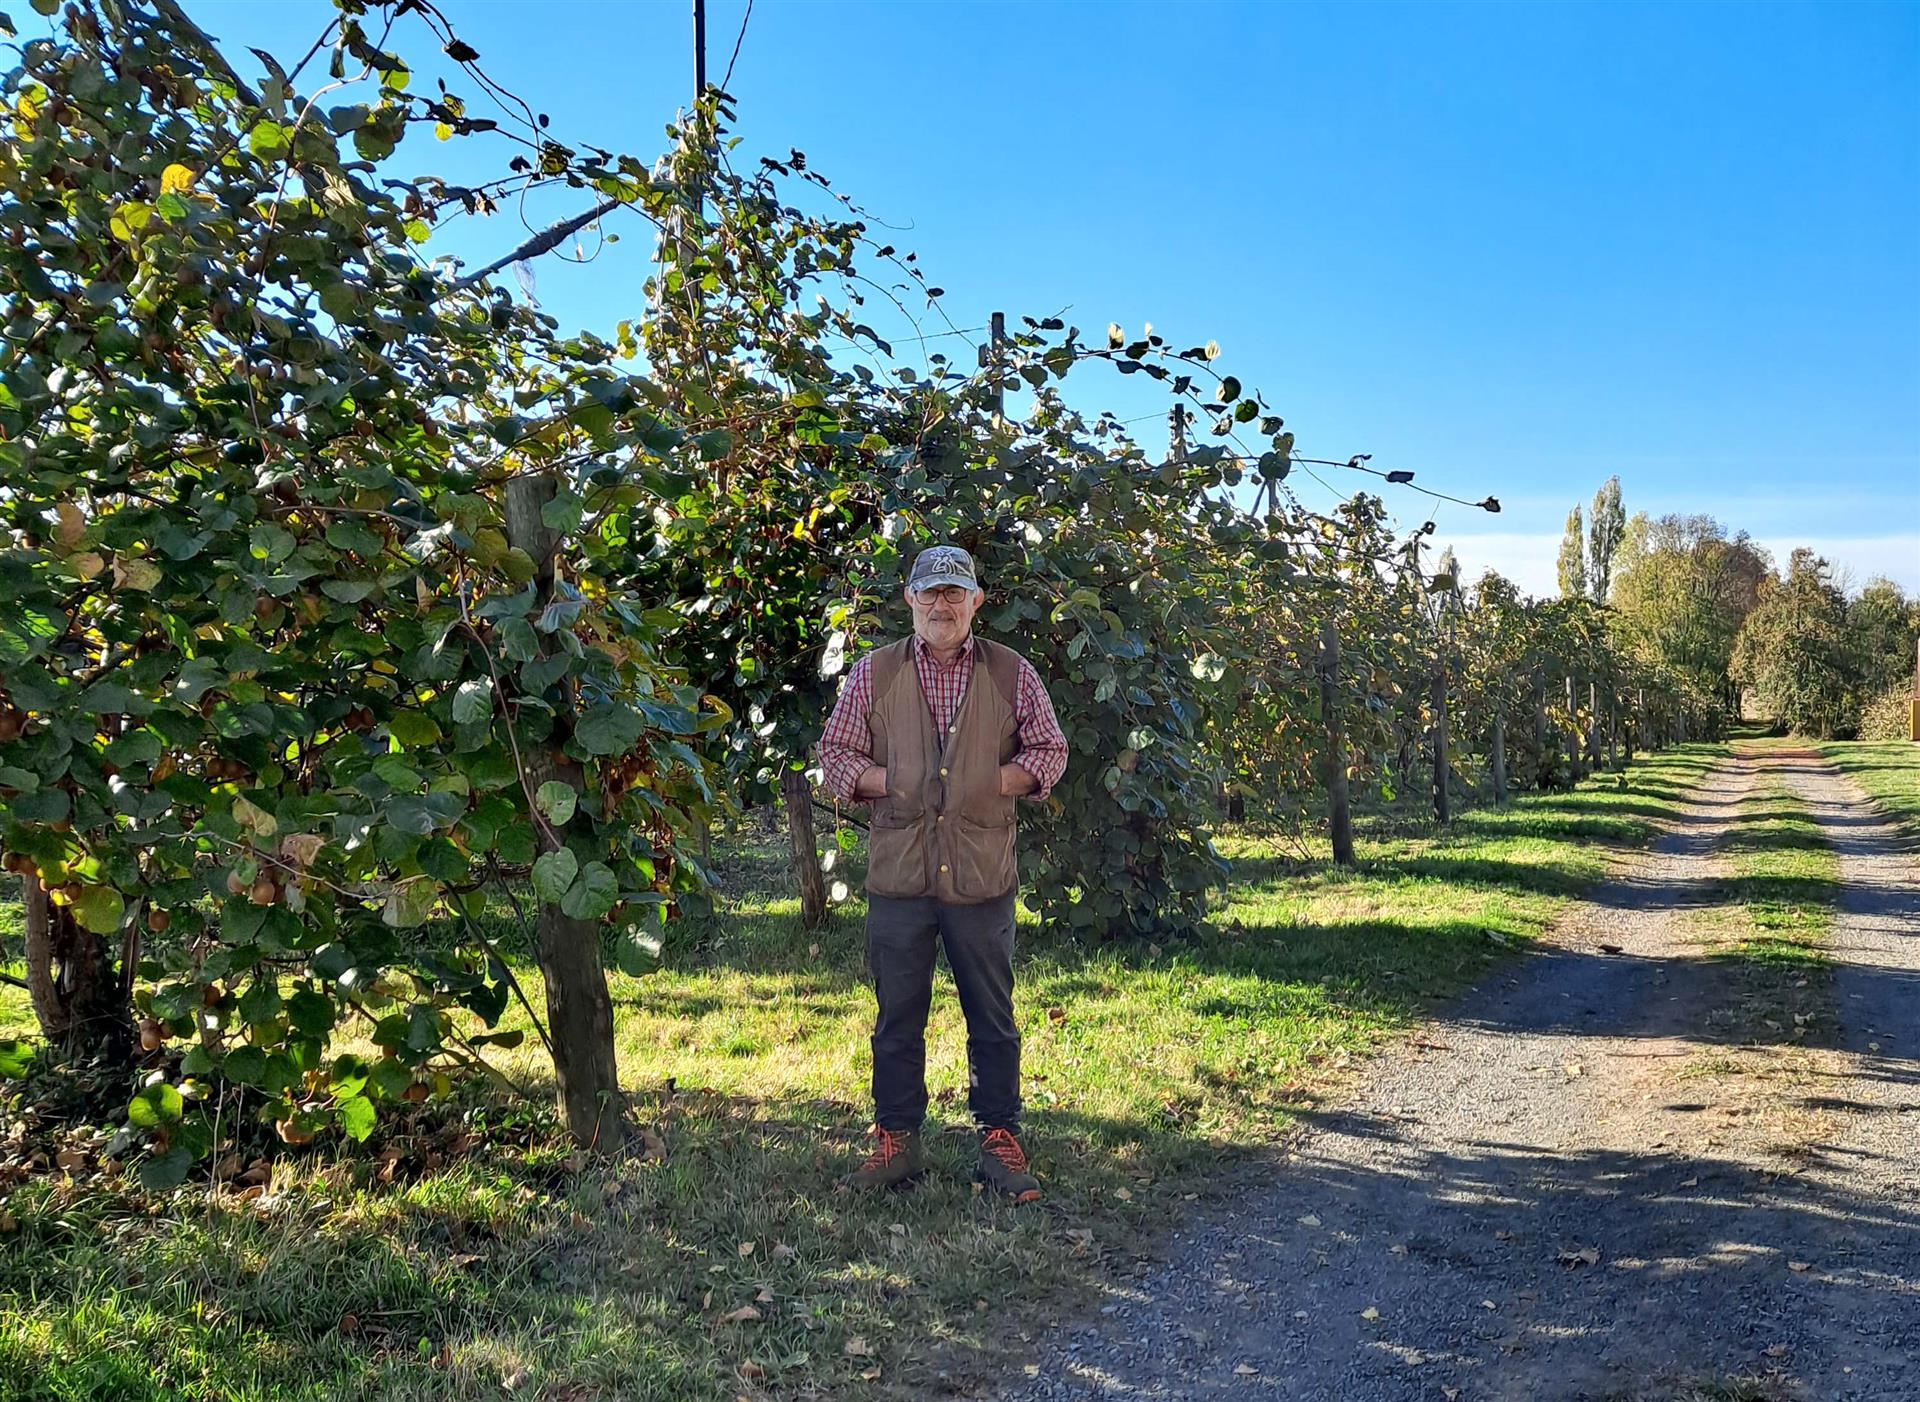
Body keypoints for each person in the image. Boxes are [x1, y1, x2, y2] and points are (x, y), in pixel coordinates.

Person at [818, 545, 1068, 1202]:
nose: (941, 605)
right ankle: (897, 1141)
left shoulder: (1013, 673)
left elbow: (1050, 750)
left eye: (954, 593)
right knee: (896, 1016)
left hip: (982, 875)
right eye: (929, 594)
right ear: (909, 599)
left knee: (993, 1016)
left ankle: (999, 1141)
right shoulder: (874, 673)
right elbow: (837, 753)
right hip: (899, 877)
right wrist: (886, 780)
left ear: (975, 602)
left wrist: (995, 780)